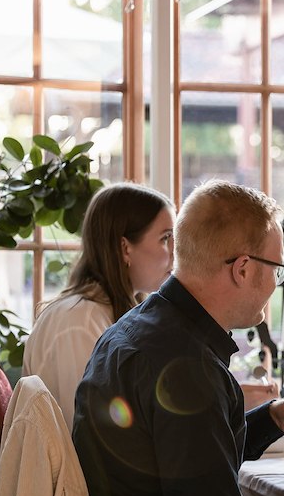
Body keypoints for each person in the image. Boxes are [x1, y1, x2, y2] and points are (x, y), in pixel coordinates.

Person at [73, 179, 284, 496]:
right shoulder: (186, 369)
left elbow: (191, 457)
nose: (276, 284)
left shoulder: (140, 328)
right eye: (279, 268)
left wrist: (272, 417)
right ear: (243, 269)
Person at [23, 182, 175, 430]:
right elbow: (92, 432)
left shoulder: (110, 314)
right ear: (125, 248)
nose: (174, 252)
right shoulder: (78, 322)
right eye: (165, 238)